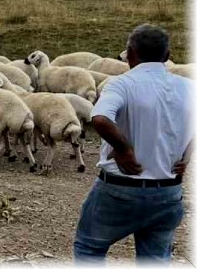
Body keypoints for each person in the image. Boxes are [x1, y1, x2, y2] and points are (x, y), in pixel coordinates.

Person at [73, 24, 192, 263]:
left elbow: (100, 118)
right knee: (156, 258)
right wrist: (187, 155)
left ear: (129, 53)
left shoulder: (121, 84)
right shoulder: (188, 87)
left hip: (121, 189)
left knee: (89, 248)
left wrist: (123, 148)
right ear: (167, 56)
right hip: (167, 191)